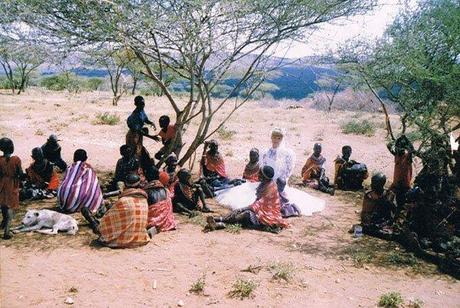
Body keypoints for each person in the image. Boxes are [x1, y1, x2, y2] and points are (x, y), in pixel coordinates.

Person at [216, 129, 325, 217]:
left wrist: (279, 182)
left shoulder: (287, 154)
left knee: (278, 199)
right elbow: (262, 168)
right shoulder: (265, 152)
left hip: (279, 183)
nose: (275, 140)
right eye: (274, 137)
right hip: (266, 180)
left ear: (281, 139)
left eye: (278, 138)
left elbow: (287, 171)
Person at [205, 166, 288, 233]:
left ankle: (221, 221)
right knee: (241, 212)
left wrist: (242, 208)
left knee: (246, 214)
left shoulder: (270, 187)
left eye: (260, 174)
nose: (258, 175)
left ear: (264, 176)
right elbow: (258, 203)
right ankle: (220, 220)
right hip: (261, 211)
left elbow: (259, 204)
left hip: (268, 216)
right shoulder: (264, 184)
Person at [82, 174, 150, 248]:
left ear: (125, 186)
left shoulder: (123, 201)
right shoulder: (144, 201)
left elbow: (104, 224)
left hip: (121, 241)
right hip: (140, 239)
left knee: (87, 213)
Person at [57, 149, 103, 214]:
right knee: (94, 189)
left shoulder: (70, 168)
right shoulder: (88, 168)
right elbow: (93, 185)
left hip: (63, 200)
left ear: (74, 158)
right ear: (86, 158)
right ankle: (85, 204)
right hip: (76, 199)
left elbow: (65, 181)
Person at [0, 138, 25, 239]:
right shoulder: (16, 159)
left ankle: (3, 222)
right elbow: (20, 173)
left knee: (3, 205)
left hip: (2, 184)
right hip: (12, 184)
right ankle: (7, 231)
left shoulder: (0, 160)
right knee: (11, 207)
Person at [144, 168, 176, 236]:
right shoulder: (166, 191)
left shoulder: (145, 191)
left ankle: (153, 227)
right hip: (167, 223)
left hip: (152, 221)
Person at [387, 135, 414, 208]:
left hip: (399, 181)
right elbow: (411, 148)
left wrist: (395, 140)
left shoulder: (398, 153)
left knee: (397, 195)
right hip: (405, 182)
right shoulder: (408, 153)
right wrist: (407, 141)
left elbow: (389, 145)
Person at [126, 96, 155, 161]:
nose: (143, 105)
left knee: (138, 152)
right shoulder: (135, 115)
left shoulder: (141, 111)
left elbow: (145, 119)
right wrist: (152, 137)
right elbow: (138, 130)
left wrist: (151, 123)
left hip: (138, 134)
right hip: (133, 135)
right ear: (136, 104)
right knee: (133, 153)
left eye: (143, 103)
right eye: (141, 103)